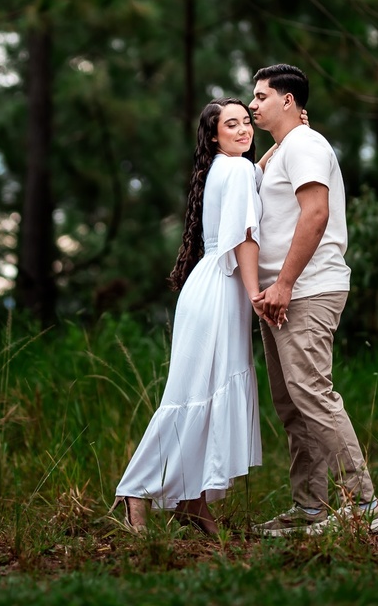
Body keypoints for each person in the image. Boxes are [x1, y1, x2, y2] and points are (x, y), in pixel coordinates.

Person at [247, 64, 378, 536]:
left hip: (306, 290)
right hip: (279, 296)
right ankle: (310, 508)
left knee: (313, 394)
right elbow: (266, 181)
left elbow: (316, 213)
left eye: (261, 96)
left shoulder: (306, 144)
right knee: (292, 403)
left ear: (288, 100)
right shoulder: (290, 146)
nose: (252, 105)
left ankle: (364, 505)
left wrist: (284, 283)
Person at [112, 97, 264, 535]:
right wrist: (256, 293)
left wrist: (278, 144)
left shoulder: (226, 168)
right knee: (193, 396)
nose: (243, 130)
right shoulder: (235, 170)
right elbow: (246, 236)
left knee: (208, 394)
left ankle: (191, 500)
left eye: (247, 122)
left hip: (209, 286)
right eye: (231, 125)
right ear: (214, 136)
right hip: (221, 290)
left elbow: (255, 172)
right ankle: (135, 491)